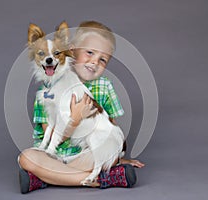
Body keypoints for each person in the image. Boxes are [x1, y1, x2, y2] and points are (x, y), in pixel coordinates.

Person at [18, 21, 145, 194]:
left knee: (107, 155)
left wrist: (116, 155)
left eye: (102, 59)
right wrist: (75, 119)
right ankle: (104, 178)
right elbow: (51, 135)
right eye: (90, 53)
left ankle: (44, 178)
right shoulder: (46, 92)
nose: (94, 62)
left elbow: (110, 127)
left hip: (85, 154)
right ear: (71, 51)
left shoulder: (105, 85)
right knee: (26, 158)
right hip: (54, 153)